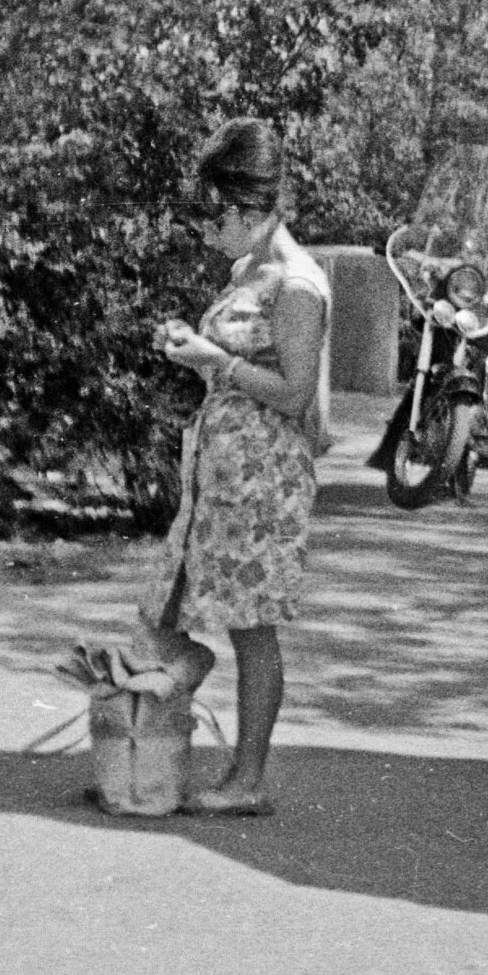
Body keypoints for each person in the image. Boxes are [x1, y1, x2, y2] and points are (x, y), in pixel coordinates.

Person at [135, 119, 330, 816]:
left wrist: (213, 359)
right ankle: (164, 753)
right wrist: (195, 352)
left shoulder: (297, 285)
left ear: (249, 209)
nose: (207, 230)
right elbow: (241, 370)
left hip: (264, 482)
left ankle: (247, 781)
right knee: (175, 605)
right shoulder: (248, 272)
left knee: (252, 627)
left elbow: (295, 393)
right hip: (221, 476)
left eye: (215, 216)